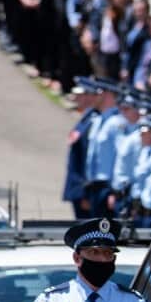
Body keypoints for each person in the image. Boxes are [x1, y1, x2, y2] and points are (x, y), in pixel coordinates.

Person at [63, 78, 100, 217]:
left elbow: (89, 158)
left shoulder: (93, 121)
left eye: (81, 93)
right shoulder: (87, 117)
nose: (76, 97)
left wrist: (86, 193)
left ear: (90, 96)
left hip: (83, 188)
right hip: (77, 187)